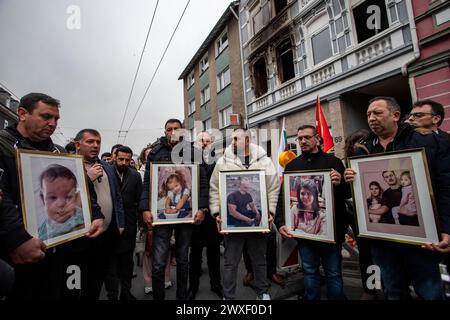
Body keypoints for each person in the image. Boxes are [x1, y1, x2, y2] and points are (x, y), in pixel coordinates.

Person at [344, 96, 450, 300]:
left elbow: (445, 187)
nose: (371, 118)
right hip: (383, 239)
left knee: (429, 291)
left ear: (395, 116)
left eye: (377, 113)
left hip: (421, 237)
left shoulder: (427, 140)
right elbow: (362, 193)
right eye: (368, 114)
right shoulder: (362, 148)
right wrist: (352, 178)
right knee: (393, 290)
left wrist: (446, 228)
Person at [0, 93, 104, 300]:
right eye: (46, 117)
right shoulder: (4, 146)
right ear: (22, 114)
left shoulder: (58, 151)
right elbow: (4, 199)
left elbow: (82, 189)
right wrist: (18, 239)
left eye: (56, 119)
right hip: (22, 253)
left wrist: (96, 214)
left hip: (62, 249)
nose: (53, 123)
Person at [275, 125, 350, 300]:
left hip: (331, 232)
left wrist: (341, 183)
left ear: (317, 138)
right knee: (309, 272)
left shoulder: (334, 162)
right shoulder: (292, 166)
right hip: (305, 233)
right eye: (300, 138)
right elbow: (283, 198)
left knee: (333, 273)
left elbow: (347, 195)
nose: (303, 141)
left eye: (307, 137)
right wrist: (280, 223)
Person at [209, 128, 279, 300]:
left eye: (236, 139)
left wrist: (268, 213)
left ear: (247, 140)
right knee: (230, 262)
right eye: (231, 139)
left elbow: (273, 188)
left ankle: (262, 293)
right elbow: (214, 188)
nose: (232, 142)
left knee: (259, 260)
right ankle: (228, 297)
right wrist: (217, 213)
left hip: (256, 227)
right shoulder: (222, 161)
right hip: (232, 226)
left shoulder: (265, 161)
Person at [141, 118, 204, 300]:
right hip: (161, 220)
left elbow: (202, 183)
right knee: (159, 263)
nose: (173, 132)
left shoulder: (194, 152)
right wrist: (145, 208)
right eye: (170, 129)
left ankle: (182, 299)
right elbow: (147, 184)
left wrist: (203, 208)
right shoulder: (155, 152)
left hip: (186, 217)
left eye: (177, 129)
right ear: (165, 131)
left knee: (183, 260)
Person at [75, 128, 125, 300]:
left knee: (102, 276)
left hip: (108, 232)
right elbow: (65, 195)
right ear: (77, 144)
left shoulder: (107, 167)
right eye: (90, 142)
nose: (95, 145)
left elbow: (116, 196)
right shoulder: (69, 165)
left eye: (98, 142)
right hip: (83, 235)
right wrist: (86, 178)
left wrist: (119, 223)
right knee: (83, 282)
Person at [188, 131, 223, 300]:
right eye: (201, 140)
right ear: (195, 143)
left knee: (214, 251)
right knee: (194, 252)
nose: (204, 143)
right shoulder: (187, 161)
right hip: (194, 213)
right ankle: (192, 287)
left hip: (213, 213)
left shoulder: (219, 161)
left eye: (208, 141)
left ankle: (216, 283)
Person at [104, 146, 142, 300]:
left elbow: (140, 200)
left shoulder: (135, 176)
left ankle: (126, 292)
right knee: (110, 264)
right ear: (114, 157)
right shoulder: (106, 173)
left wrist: (141, 223)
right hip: (109, 225)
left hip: (129, 224)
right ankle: (112, 295)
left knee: (127, 262)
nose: (124, 162)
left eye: (127, 160)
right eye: (121, 159)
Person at [38, 164, 84, 240]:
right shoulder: (42, 230)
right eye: (53, 197)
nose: (61, 204)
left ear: (75, 197)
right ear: (43, 199)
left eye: (68, 197)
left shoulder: (82, 218)